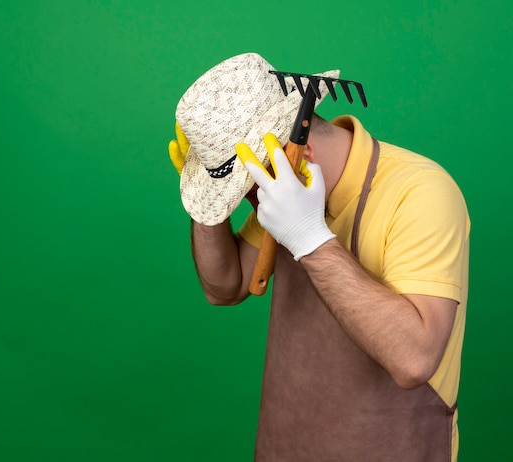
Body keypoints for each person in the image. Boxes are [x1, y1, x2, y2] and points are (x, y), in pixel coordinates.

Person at [168, 52, 470, 462]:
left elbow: (414, 359)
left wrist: (310, 238)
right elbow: (225, 285)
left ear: (299, 152)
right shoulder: (284, 188)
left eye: (248, 190)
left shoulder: (421, 194)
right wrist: (206, 207)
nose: (252, 203)